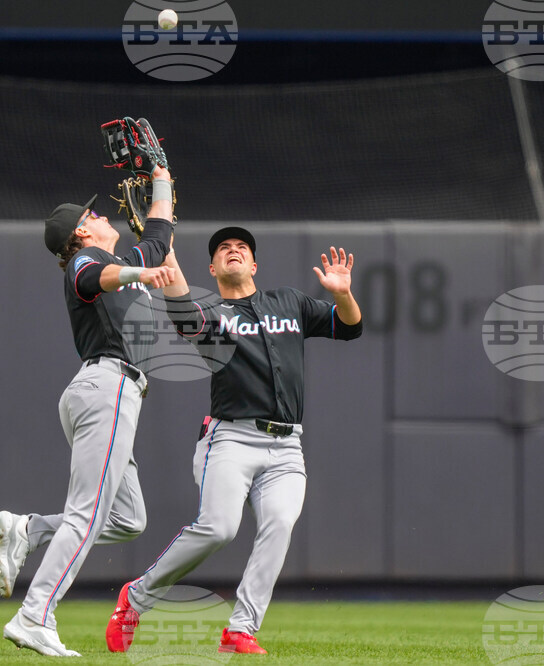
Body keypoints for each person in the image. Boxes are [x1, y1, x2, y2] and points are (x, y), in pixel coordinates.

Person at [106, 226, 362, 655]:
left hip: (286, 448)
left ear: (254, 264)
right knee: (218, 529)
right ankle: (134, 598)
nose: (233, 250)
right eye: (223, 248)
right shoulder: (213, 313)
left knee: (279, 524)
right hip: (231, 441)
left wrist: (342, 293)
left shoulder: (290, 302)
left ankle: (241, 629)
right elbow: (185, 315)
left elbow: (350, 327)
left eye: (241, 246)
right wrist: (165, 255)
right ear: (213, 267)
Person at [0, 166, 176, 657]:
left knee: (127, 518)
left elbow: (158, 236)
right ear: (80, 231)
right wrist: (139, 272)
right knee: (88, 513)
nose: (100, 212)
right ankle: (34, 616)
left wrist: (161, 179)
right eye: (92, 212)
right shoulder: (85, 260)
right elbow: (101, 275)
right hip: (107, 387)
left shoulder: (113, 254)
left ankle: (27, 530)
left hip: (110, 393)